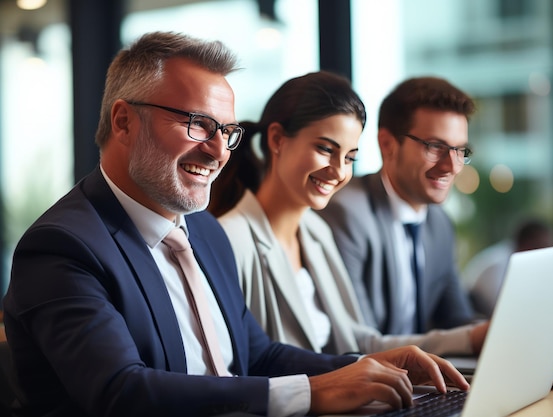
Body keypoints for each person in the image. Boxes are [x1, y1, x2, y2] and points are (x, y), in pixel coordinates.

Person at [2, 32, 470, 417]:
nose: (219, 151)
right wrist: (310, 393)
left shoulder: (203, 231)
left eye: (226, 131)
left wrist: (362, 366)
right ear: (124, 122)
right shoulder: (63, 247)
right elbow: (121, 392)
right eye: (198, 124)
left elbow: (258, 355)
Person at [211, 71, 487, 359]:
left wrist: (469, 340)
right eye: (325, 149)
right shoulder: (230, 241)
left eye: (350, 157)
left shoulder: (315, 232)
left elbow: (355, 342)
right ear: (278, 139)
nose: (339, 171)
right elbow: (244, 369)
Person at [318, 77, 477, 336]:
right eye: (436, 147)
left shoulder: (439, 223)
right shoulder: (347, 213)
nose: (452, 166)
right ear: (387, 144)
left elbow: (457, 321)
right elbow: (359, 341)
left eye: (460, 150)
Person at [462, 218, 553, 317]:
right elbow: (501, 309)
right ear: (529, 244)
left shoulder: (519, 261)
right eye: (544, 246)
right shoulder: (495, 265)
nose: (548, 251)